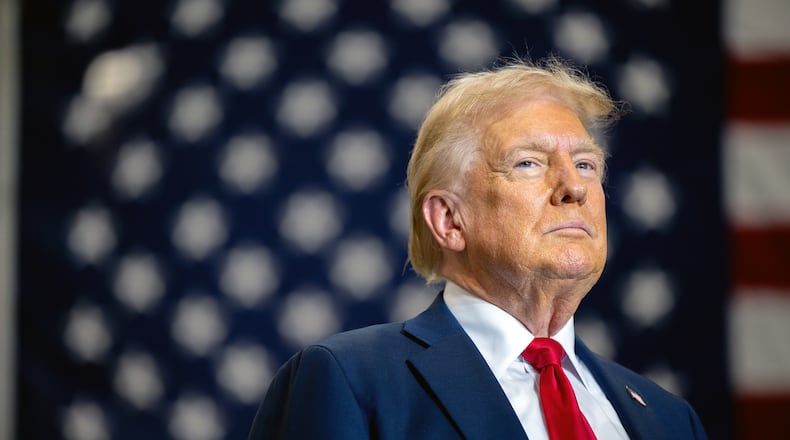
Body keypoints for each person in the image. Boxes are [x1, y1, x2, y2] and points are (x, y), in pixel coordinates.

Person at [248, 57, 708, 439]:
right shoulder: (348, 380)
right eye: (528, 163)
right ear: (449, 220)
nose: (574, 187)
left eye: (587, 164)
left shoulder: (670, 420)